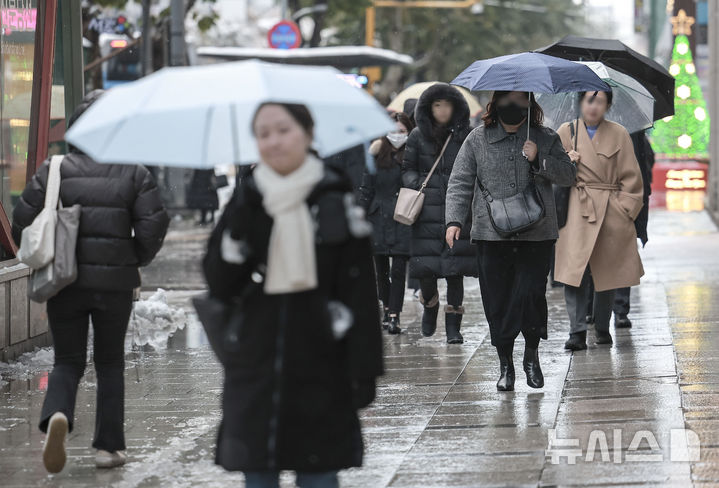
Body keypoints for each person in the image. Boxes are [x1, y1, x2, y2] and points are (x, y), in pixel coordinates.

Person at [203, 102, 384, 488]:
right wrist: (236, 229)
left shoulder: (333, 196)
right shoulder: (248, 199)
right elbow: (220, 283)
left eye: (283, 129)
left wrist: (364, 368)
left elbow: (359, 293)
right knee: (258, 474)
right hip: (257, 362)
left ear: (306, 133)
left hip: (322, 361)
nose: (273, 141)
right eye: (263, 133)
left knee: (319, 475)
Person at [11, 90, 170, 473]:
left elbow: (22, 221)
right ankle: (108, 448)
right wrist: (134, 259)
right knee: (111, 362)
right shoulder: (135, 172)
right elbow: (153, 224)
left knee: (67, 360)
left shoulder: (55, 169)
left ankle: (57, 415)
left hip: (64, 281)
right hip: (114, 285)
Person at [446, 91, 576, 391]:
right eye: (507, 99)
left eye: (521, 100)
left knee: (531, 295)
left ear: (531, 104)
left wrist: (539, 159)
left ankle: (531, 356)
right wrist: (453, 221)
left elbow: (569, 175)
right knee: (498, 299)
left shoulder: (545, 137)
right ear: (496, 102)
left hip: (537, 233)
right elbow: (460, 180)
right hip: (492, 235)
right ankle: (505, 364)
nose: (513, 106)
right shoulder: (477, 139)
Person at [555, 90, 644, 350]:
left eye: (600, 101)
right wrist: (566, 163)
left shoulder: (619, 133)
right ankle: (577, 331)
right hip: (576, 210)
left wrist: (625, 209)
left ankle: (602, 327)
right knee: (574, 273)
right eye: (589, 100)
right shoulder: (566, 131)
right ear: (580, 101)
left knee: (607, 273)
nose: (594, 106)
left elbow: (632, 177)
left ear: (608, 105)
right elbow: (551, 172)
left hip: (610, 211)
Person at [402, 83, 476, 344]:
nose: (442, 110)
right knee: (426, 270)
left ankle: (454, 327)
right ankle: (430, 304)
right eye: (436, 105)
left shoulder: (466, 135)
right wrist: (419, 184)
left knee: (455, 270)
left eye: (446, 105)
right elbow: (407, 168)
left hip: (457, 212)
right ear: (428, 108)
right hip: (425, 212)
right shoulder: (416, 136)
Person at [358, 112, 414, 335]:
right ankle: (386, 307)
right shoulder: (374, 153)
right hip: (377, 217)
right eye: (393, 131)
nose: (397, 135)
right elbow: (366, 188)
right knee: (381, 270)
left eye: (402, 131)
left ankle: (394, 315)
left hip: (402, 216)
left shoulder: (412, 155)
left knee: (399, 269)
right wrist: (360, 214)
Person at [612, 130, 655, 328]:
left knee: (622, 254)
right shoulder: (580, 129)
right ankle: (596, 311)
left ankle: (618, 309)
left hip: (624, 200)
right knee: (594, 255)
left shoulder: (631, 131)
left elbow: (644, 161)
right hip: (593, 201)